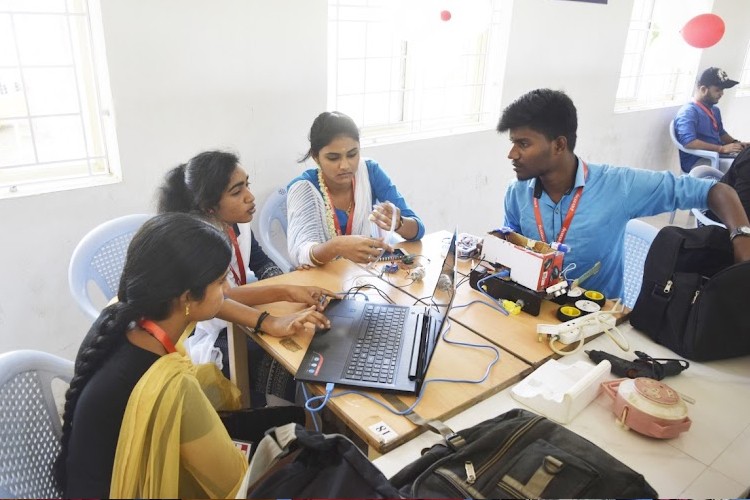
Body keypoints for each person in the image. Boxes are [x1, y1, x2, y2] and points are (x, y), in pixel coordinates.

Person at [56, 213, 247, 498]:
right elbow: (232, 480)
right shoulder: (169, 382)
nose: (227, 290)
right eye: (221, 282)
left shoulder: (118, 316)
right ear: (186, 298)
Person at [498, 88, 750, 300]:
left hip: (595, 320)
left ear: (559, 145)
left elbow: (717, 190)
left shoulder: (619, 186)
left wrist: (742, 237)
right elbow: (512, 245)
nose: (512, 154)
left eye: (523, 144)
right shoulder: (517, 192)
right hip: (533, 308)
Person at [159, 150, 335, 406]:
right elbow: (221, 297)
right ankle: (293, 422)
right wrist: (282, 296)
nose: (250, 197)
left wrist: (285, 292)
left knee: (307, 341)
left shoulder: (236, 223)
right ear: (210, 207)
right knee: (296, 359)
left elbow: (261, 262)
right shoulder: (199, 241)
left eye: (247, 185)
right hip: (206, 333)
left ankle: (311, 418)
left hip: (236, 316)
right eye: (236, 192)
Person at [287, 111, 425, 267]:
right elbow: (300, 254)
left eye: (352, 154)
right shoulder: (304, 189)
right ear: (316, 157)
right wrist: (337, 246)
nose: (345, 165)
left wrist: (398, 223)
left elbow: (418, 230)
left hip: (361, 276)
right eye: (333, 158)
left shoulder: (369, 172)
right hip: (317, 280)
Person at [674, 67, 749, 173]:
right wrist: (721, 149)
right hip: (700, 161)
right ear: (703, 89)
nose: (722, 93)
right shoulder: (688, 112)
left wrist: (737, 143)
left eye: (722, 90)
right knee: (745, 167)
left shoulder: (714, 110)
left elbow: (721, 133)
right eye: (718, 90)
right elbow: (689, 142)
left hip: (718, 155)